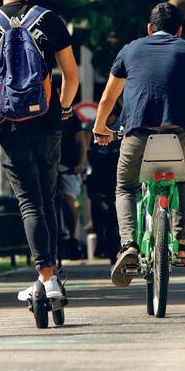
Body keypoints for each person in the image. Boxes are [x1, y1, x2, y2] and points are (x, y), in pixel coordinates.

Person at [0, 0, 79, 302]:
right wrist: (61, 109)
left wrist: (1, 110)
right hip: (48, 122)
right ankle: (54, 274)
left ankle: (45, 277)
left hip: (11, 126)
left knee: (29, 203)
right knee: (47, 198)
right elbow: (71, 76)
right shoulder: (50, 20)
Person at [92, 2, 185, 287]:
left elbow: (109, 99)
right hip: (178, 133)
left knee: (125, 186)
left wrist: (100, 127)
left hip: (137, 134)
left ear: (149, 29)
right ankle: (182, 242)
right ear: (179, 31)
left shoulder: (129, 50)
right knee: (182, 178)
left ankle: (129, 246)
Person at [56, 79, 89, 259]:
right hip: (50, 165)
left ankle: (72, 235)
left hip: (69, 166)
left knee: (68, 200)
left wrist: (81, 164)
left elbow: (81, 142)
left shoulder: (71, 115)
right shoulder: (42, 112)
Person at [85, 105, 121, 264]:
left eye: (108, 116)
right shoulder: (96, 124)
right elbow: (86, 142)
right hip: (99, 170)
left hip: (116, 171)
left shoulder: (122, 126)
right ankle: (98, 234)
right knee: (94, 198)